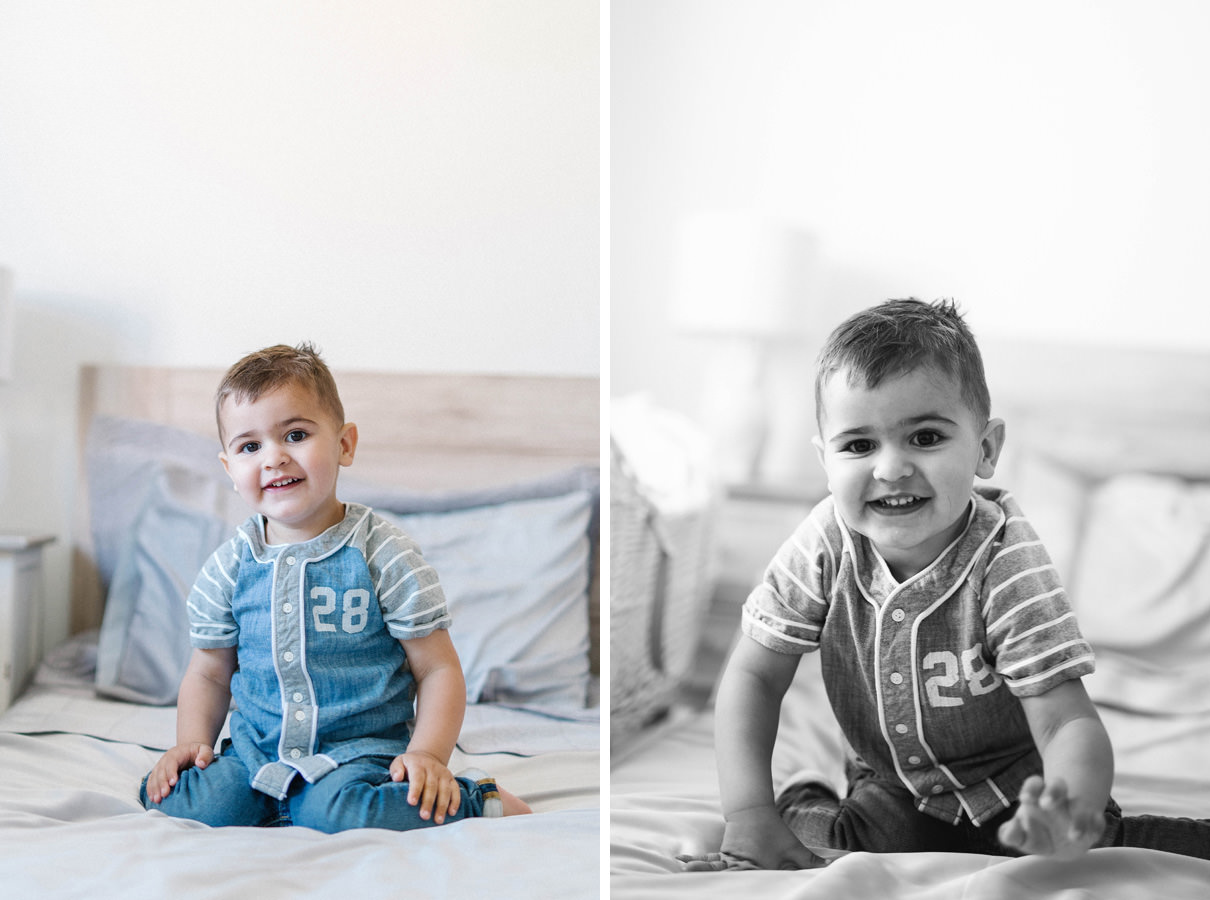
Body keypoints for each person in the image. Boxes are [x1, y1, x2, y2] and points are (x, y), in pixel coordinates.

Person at [688, 299, 1210, 870]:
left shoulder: (1008, 562)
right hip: (895, 784)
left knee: (1100, 848)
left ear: (985, 449)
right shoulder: (823, 544)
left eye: (926, 437)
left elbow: (1066, 719)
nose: (890, 468)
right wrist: (748, 814)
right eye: (859, 445)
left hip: (1022, 782)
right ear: (826, 461)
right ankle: (800, 797)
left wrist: (1071, 808)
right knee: (852, 842)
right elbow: (753, 676)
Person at [141, 342, 531, 831]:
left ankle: (474, 798)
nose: (274, 458)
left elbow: (438, 668)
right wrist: (190, 745)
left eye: (296, 434)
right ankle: (257, 798)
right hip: (257, 752)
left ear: (345, 444)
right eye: (250, 446)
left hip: (361, 755)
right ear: (229, 469)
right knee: (199, 805)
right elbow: (209, 674)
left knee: (334, 811)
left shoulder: (383, 554)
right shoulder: (228, 566)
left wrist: (429, 755)